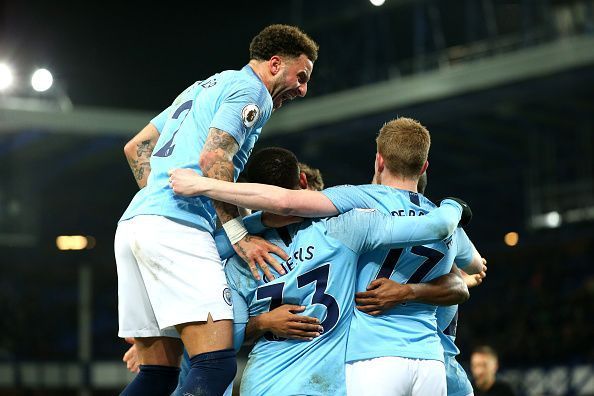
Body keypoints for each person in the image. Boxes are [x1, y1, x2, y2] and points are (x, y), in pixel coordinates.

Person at [168, 117, 483, 395]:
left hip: (318, 371)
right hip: (413, 363)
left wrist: (209, 193)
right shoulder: (350, 228)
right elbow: (462, 274)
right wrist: (452, 210)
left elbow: (218, 337)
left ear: (379, 161)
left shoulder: (238, 259)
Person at [115, 25, 319, 396]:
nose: (303, 89)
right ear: (275, 64)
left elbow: (136, 146)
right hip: (178, 229)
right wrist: (240, 236)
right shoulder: (252, 90)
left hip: (135, 224)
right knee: (217, 364)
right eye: (300, 77)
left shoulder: (202, 87)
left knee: (157, 374)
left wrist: (158, 199)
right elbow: (214, 158)